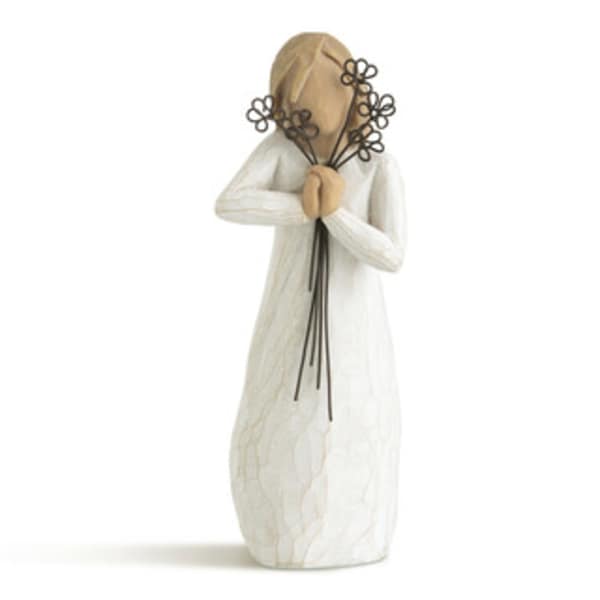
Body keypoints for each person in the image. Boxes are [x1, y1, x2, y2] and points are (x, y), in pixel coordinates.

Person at [215, 32, 406, 568]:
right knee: (284, 412)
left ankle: (355, 532)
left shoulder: (374, 164)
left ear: (349, 87)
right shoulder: (284, 151)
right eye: (295, 98)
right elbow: (230, 202)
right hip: (289, 317)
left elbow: (392, 254)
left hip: (354, 328)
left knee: (353, 417)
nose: (306, 109)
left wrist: (334, 214)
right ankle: (279, 530)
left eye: (316, 92)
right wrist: (301, 206)